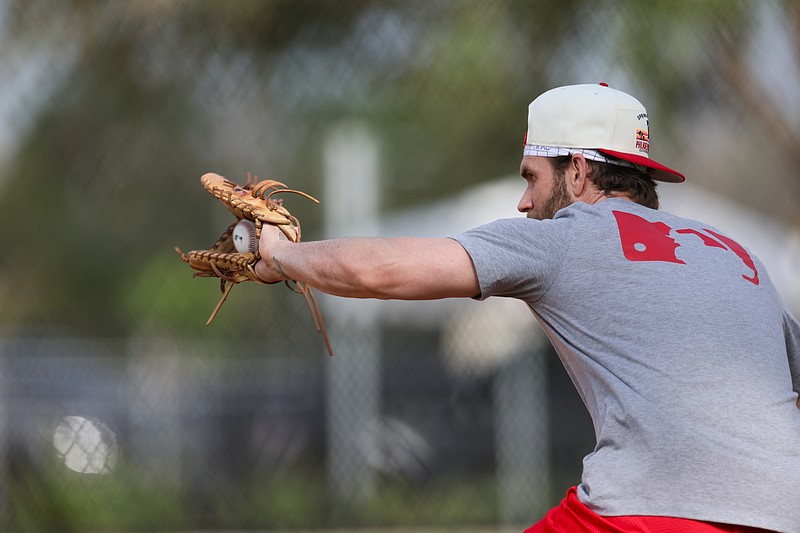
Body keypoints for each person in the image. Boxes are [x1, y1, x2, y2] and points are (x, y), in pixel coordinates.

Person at [255, 83, 800, 533]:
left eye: (531, 177)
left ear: (579, 172)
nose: (523, 202)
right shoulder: (736, 255)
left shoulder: (566, 237)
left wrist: (282, 255)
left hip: (649, 511)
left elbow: (383, 270)